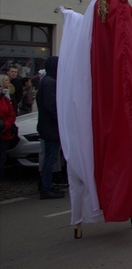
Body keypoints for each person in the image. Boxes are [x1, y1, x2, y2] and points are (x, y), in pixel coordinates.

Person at [58, 0, 132, 239]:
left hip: (107, 75)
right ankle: (89, 208)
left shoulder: (115, 1)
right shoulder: (95, 2)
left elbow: (123, 41)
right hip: (95, 73)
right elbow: (89, 32)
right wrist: (70, 18)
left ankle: (118, 202)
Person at [36, 56, 64, 199]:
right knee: (50, 159)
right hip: (51, 128)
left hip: (48, 126)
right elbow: (51, 106)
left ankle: (47, 184)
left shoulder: (47, 81)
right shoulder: (50, 83)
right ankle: (46, 187)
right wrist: (62, 119)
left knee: (50, 158)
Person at [0, 80, 17, 188]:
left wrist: (5, 125)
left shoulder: (5, 100)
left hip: (3, 134)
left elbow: (12, 115)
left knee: (1, 159)